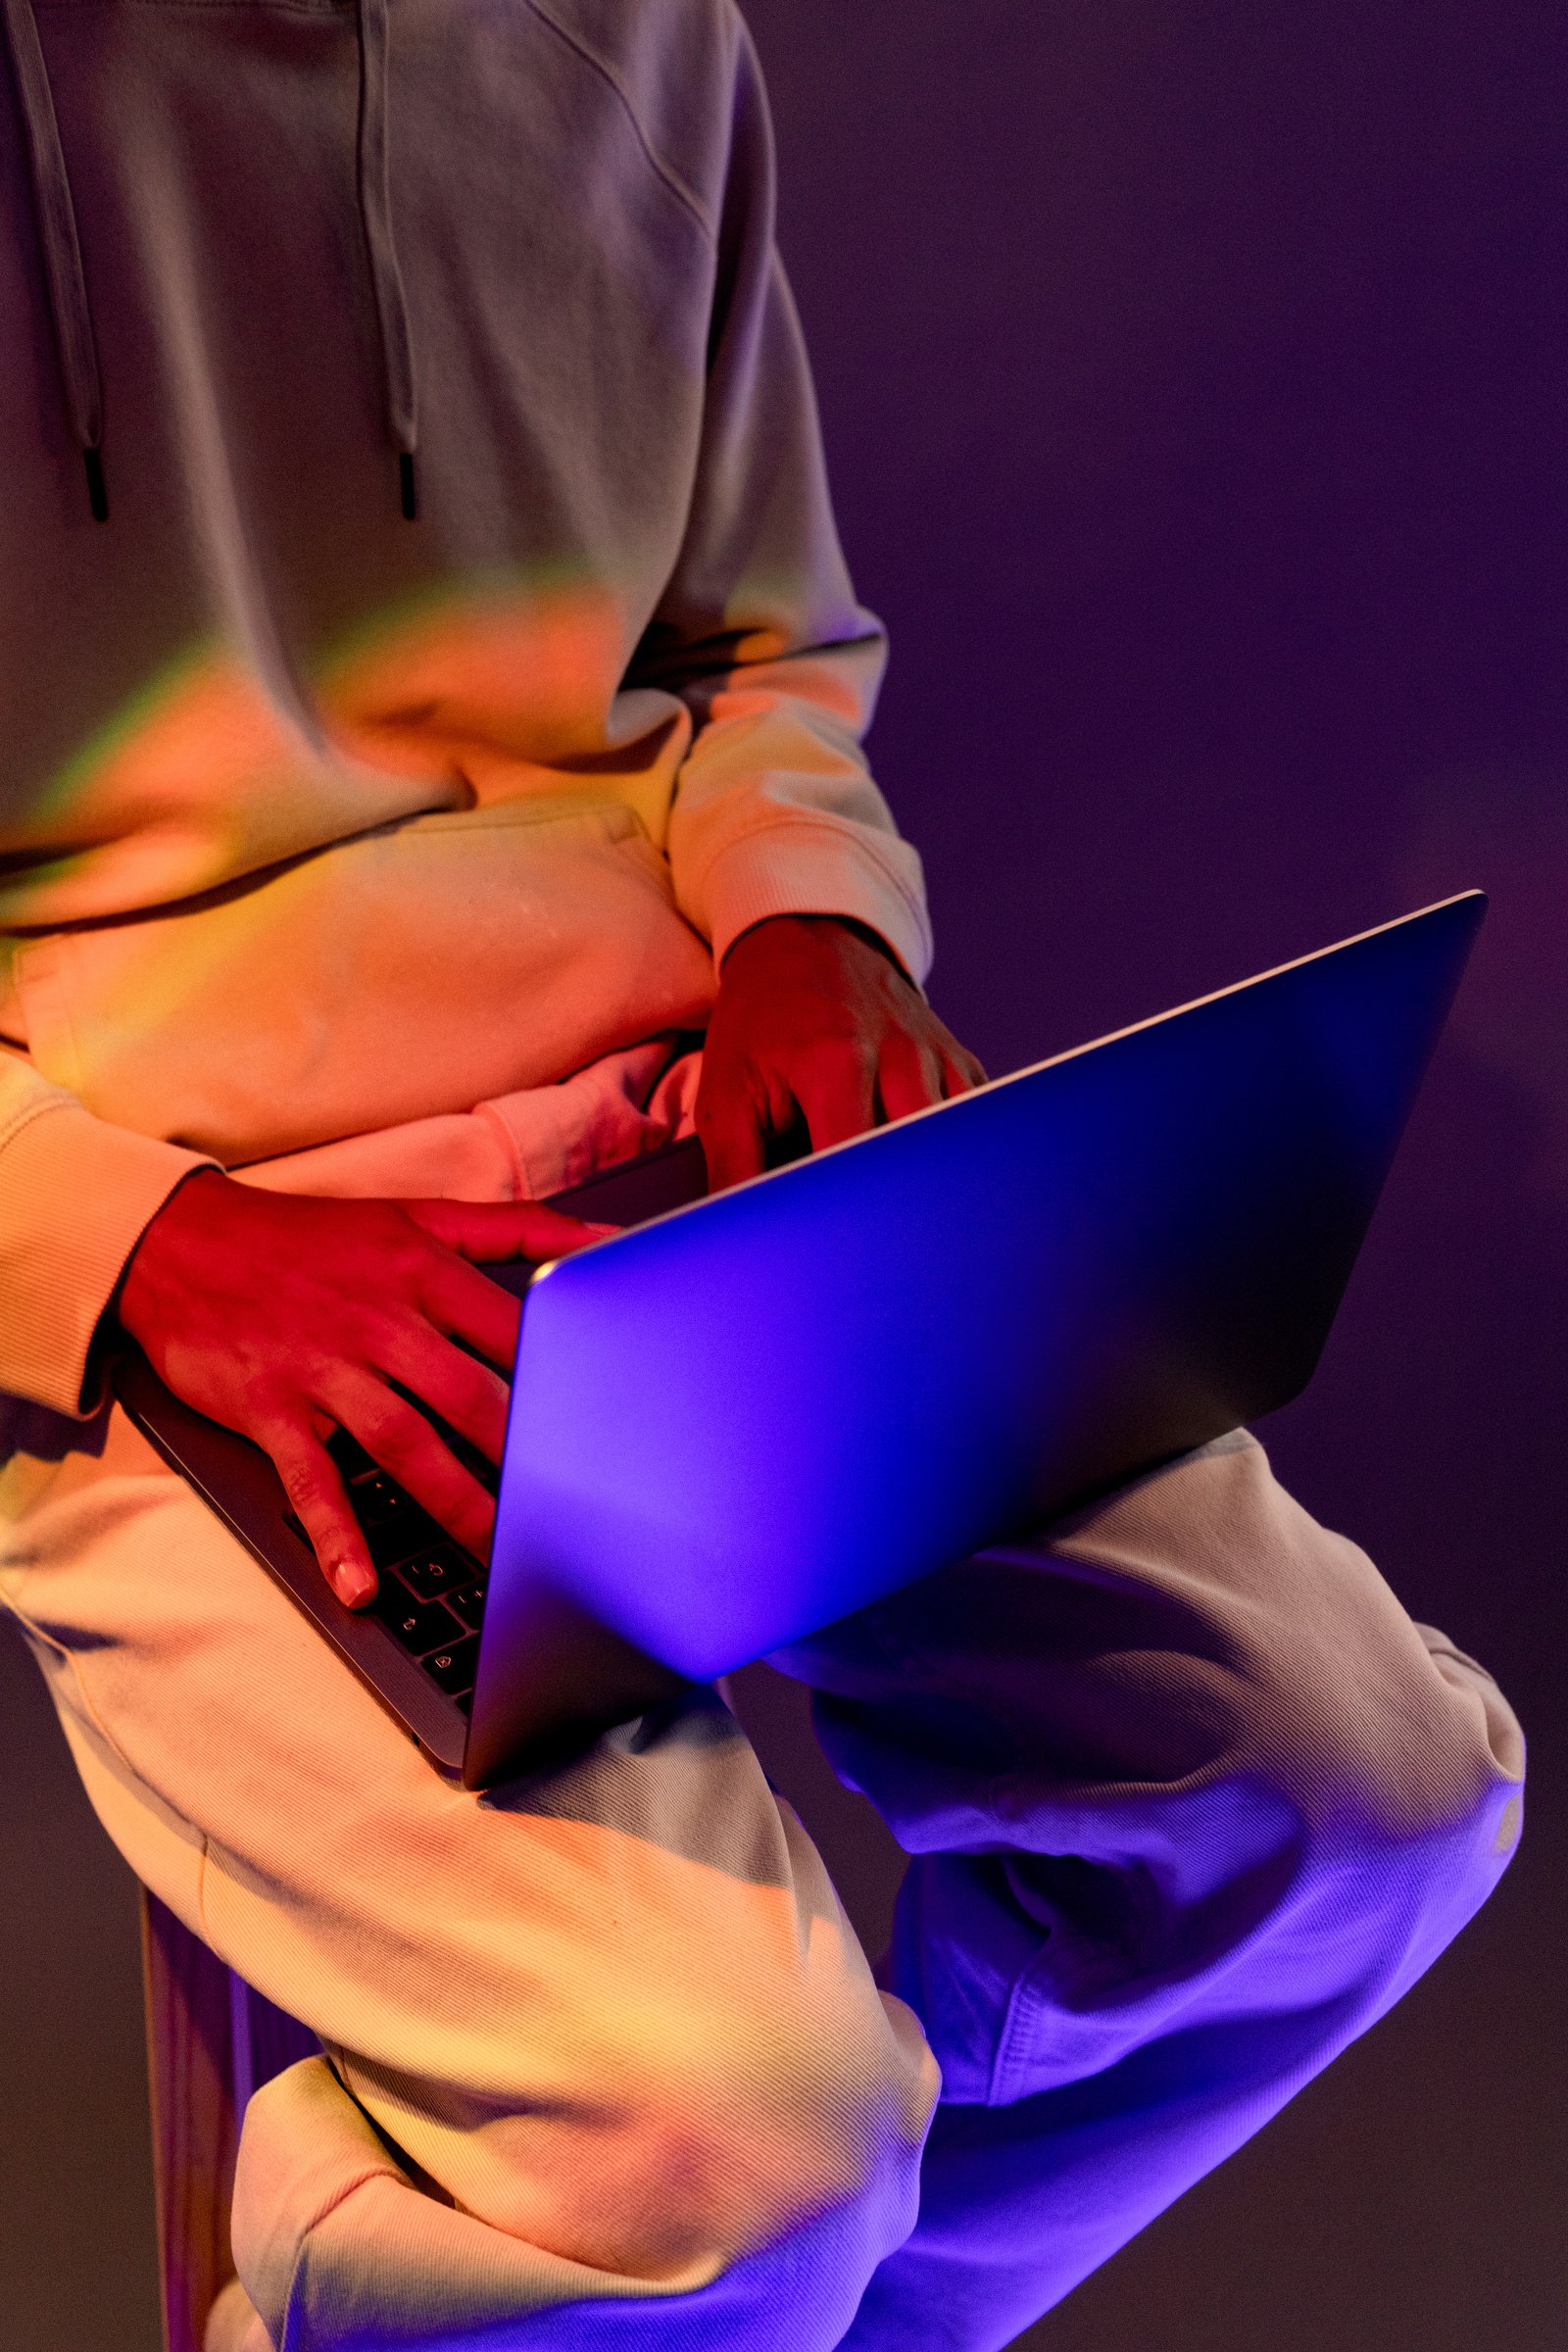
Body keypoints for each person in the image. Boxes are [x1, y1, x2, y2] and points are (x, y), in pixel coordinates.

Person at [0, 4, 1523, 2347]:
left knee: (1365, 1805)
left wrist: (804, 916)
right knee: (737, 2155)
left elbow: (758, 645)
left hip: (686, 1117)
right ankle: (334, 2282)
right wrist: (133, 1242)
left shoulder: (633, 27)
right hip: (191, 1239)